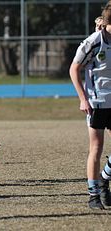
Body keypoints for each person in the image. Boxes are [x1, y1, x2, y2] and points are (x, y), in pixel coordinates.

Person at [69, 5, 111, 209]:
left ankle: (104, 178)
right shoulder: (93, 42)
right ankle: (94, 195)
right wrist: (83, 98)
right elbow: (74, 68)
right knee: (96, 148)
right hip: (97, 103)